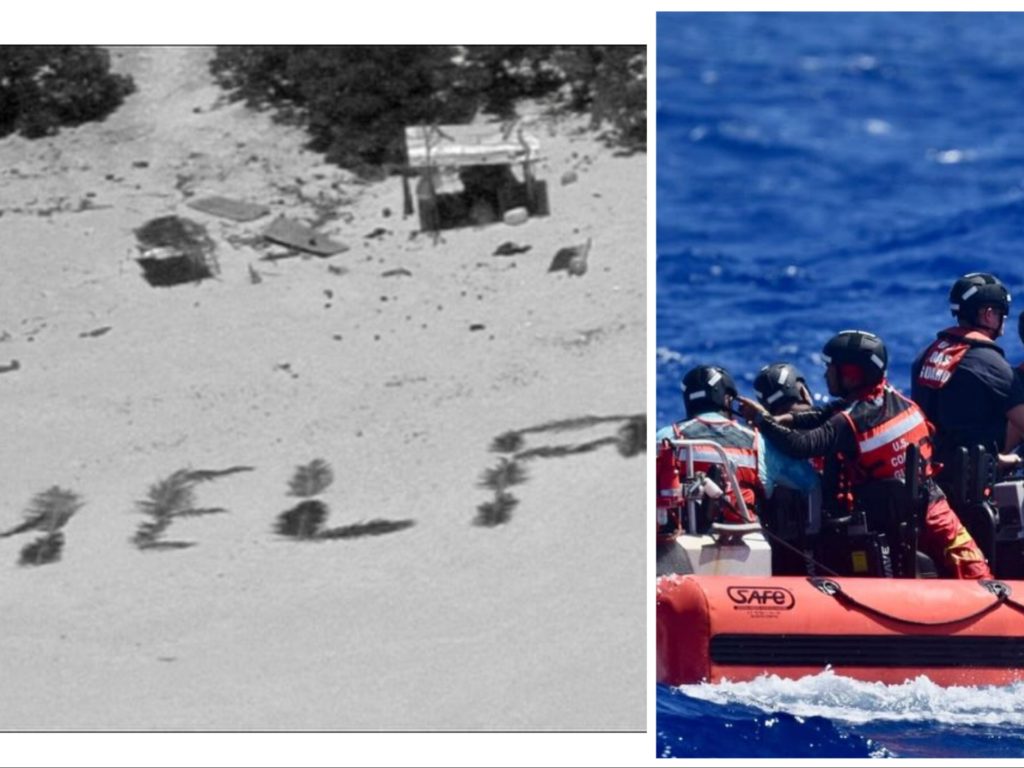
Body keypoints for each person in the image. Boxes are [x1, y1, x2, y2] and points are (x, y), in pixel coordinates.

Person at [739, 330, 992, 579]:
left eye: (831, 368)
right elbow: (826, 413)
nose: (825, 374)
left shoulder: (851, 422)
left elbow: (800, 445)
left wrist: (762, 419)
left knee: (973, 572)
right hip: (929, 506)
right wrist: (787, 419)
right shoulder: (893, 400)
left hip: (902, 516)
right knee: (975, 567)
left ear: (851, 375)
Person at [657, 364, 819, 525]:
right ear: (727, 399)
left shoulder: (667, 436)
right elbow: (810, 482)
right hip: (744, 536)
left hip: (680, 534)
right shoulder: (758, 441)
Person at [911, 272, 1024, 471]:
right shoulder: (991, 364)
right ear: (988, 314)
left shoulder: (925, 355)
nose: (1003, 324)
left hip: (931, 474)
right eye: (1001, 314)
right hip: (973, 480)